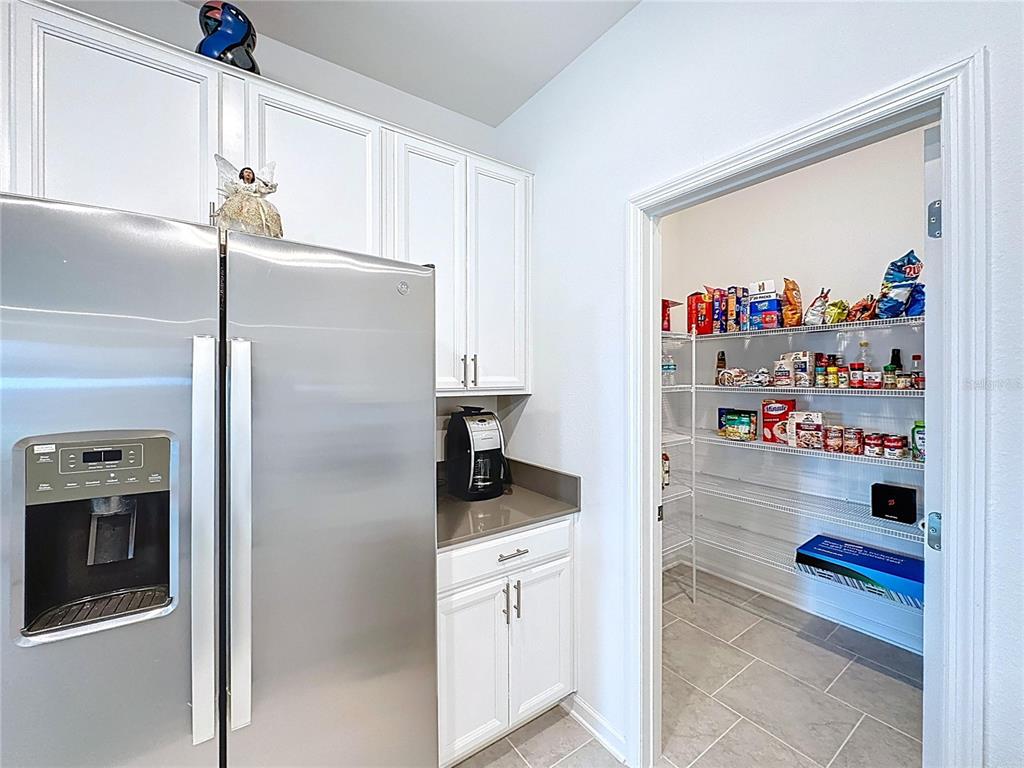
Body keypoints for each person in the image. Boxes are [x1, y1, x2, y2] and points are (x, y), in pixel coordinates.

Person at [214, 156, 283, 238]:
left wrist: (271, 187)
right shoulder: (238, 184)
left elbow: (265, 190)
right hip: (240, 202)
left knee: (260, 215)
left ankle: (254, 231)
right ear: (242, 174)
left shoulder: (256, 185)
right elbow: (232, 189)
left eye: (250, 173)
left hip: (254, 203)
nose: (248, 174)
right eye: (246, 172)